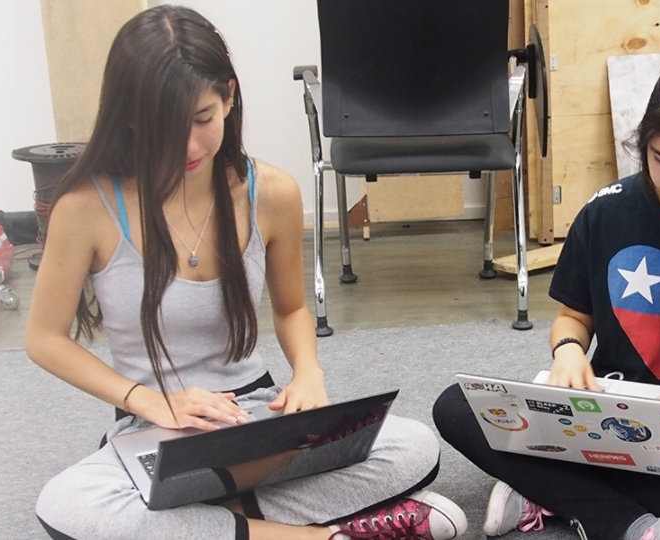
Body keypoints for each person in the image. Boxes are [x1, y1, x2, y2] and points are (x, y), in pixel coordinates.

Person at [26, 5, 468, 539]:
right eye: (164, 126)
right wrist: (147, 400)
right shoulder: (86, 207)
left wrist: (308, 374)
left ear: (229, 96)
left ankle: (220, 525)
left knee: (412, 445)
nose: (188, 147)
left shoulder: (271, 192)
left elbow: (292, 307)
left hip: (256, 414)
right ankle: (325, 535)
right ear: (129, 114)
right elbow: (44, 339)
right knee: (66, 505)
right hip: (153, 424)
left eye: (202, 119)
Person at [433, 46, 660, 540]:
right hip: (605, 411)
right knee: (459, 406)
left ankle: (549, 488)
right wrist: (566, 353)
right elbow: (573, 318)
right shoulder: (607, 212)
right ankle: (627, 523)